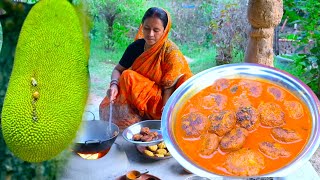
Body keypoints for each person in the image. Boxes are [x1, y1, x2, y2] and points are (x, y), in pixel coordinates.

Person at [99, 7, 193, 130]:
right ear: (142, 26)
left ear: (165, 30)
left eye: (156, 30)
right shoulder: (136, 47)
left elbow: (169, 86)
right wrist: (114, 85)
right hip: (136, 99)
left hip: (162, 103)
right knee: (124, 80)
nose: (150, 34)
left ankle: (158, 120)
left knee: (186, 80)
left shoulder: (171, 52)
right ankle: (137, 118)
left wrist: (165, 114)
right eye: (147, 28)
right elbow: (118, 70)